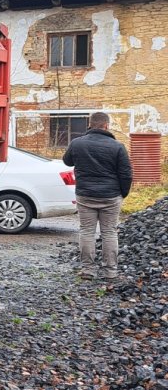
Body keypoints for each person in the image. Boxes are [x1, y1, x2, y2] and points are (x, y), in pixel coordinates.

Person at [62, 112, 133, 282]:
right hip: (111, 196)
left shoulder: (77, 143)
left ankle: (88, 270)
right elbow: (126, 174)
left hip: (85, 195)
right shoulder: (117, 146)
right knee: (109, 232)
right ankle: (110, 272)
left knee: (87, 231)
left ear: (90, 125)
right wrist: (122, 193)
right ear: (106, 125)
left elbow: (67, 161)